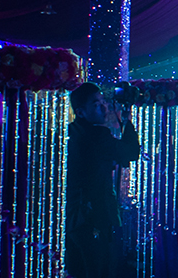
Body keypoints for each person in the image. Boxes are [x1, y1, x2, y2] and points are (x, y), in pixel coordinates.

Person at [67, 84, 140, 278]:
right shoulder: (98, 136)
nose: (104, 107)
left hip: (74, 217)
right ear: (81, 112)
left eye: (103, 102)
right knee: (100, 269)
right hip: (95, 216)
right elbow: (131, 152)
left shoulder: (71, 131)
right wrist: (127, 119)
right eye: (96, 104)